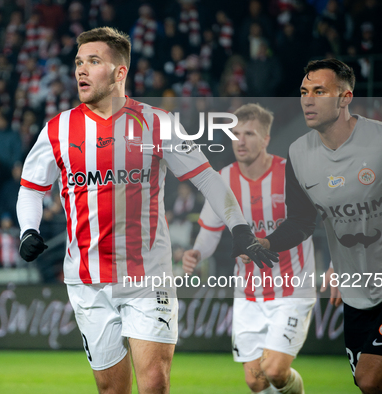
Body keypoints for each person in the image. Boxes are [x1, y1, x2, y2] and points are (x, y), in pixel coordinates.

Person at [16, 27, 277, 394]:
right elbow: (30, 190)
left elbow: (208, 179)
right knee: (111, 389)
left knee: (154, 384)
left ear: (120, 72)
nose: (81, 71)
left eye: (93, 61)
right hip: (87, 282)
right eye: (78, 62)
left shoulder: (156, 123)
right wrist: (29, 229)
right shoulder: (58, 129)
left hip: (147, 276)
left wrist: (239, 227)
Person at [259, 59, 382, 394]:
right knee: (374, 384)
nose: (308, 99)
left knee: (371, 379)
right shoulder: (298, 154)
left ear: (345, 98)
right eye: (303, 92)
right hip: (357, 289)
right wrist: (268, 244)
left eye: (319, 91)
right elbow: (301, 222)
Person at [182, 104, 317, 394]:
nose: (240, 141)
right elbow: (210, 231)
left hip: (291, 290)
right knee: (256, 380)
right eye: (236, 134)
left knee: (275, 370)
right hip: (249, 295)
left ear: (266, 138)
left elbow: (311, 223)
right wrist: (196, 252)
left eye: (249, 134)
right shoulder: (223, 179)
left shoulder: (291, 173)